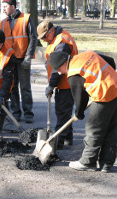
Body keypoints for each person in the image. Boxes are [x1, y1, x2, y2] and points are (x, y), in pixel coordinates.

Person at [49, 51, 117, 172]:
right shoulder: (86, 54)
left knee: (93, 129)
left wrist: (78, 114)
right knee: (110, 128)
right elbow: (110, 60)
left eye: (59, 69)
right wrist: (107, 78)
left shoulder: (73, 74)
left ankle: (88, 162)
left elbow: (80, 99)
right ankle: (106, 164)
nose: (60, 73)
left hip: (104, 95)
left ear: (65, 62)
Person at [37, 20, 78, 149]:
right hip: (63, 82)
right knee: (65, 112)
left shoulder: (62, 42)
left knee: (62, 112)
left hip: (66, 82)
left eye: (44, 37)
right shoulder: (55, 40)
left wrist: (51, 85)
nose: (43, 40)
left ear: (51, 31)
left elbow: (58, 67)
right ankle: (68, 138)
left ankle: (57, 142)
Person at [1, 0, 39, 123]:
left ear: (13, 6)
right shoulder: (3, 23)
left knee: (25, 87)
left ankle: (28, 113)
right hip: (10, 60)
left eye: (5, 7)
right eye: (3, 7)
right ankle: (15, 112)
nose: (4, 9)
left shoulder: (26, 18)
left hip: (23, 58)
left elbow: (34, 37)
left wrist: (28, 56)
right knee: (12, 87)